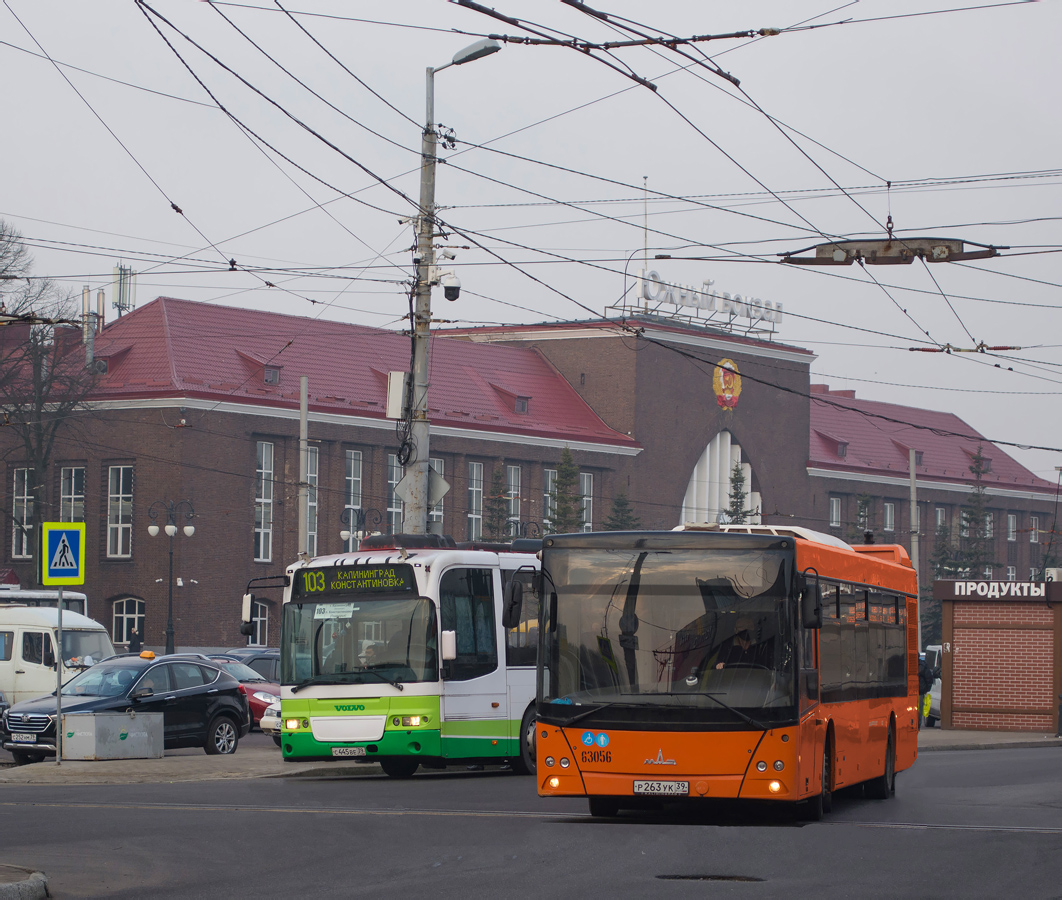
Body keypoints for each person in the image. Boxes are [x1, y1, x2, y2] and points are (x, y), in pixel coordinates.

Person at [917, 654, 935, 729]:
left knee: (918, 711)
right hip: (920, 691)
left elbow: (929, 678)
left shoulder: (922, 665)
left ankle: (917, 726)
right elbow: (929, 678)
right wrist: (926, 689)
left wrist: (926, 689)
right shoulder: (923, 665)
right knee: (919, 711)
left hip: (918, 691)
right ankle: (917, 726)